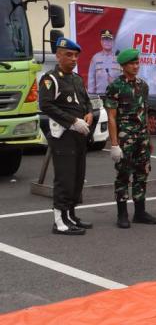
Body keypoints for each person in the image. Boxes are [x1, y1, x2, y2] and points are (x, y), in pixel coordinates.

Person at [39, 37, 93, 235]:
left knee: (77, 177)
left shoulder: (77, 79)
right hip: (63, 135)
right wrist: (72, 121)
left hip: (80, 134)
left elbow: (86, 101)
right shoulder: (50, 78)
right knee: (65, 178)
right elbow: (45, 105)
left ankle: (70, 215)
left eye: (76, 56)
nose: (73, 59)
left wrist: (87, 113)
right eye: (68, 55)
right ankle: (59, 222)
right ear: (58, 55)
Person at [105, 48, 156, 228]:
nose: (136, 66)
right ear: (123, 66)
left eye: (137, 63)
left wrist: (148, 139)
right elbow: (111, 117)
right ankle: (122, 214)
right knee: (123, 175)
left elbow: (143, 113)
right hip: (124, 137)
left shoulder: (143, 85)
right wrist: (114, 144)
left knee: (142, 173)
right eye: (132, 63)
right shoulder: (115, 86)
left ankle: (140, 212)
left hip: (141, 137)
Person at [87, 29, 121, 94]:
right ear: (101, 42)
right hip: (99, 96)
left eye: (109, 40)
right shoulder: (95, 58)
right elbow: (91, 78)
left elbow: (124, 77)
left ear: (113, 42)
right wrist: (91, 95)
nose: (107, 42)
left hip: (116, 96)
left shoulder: (118, 58)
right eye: (105, 40)